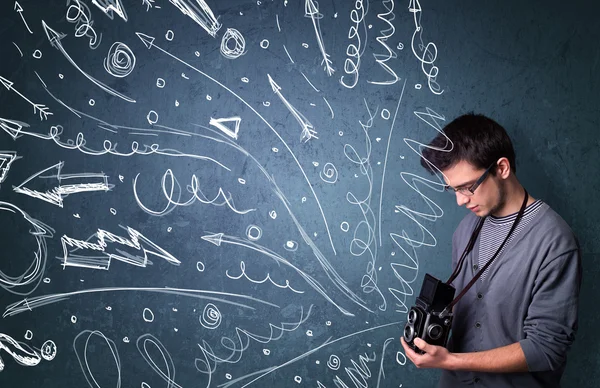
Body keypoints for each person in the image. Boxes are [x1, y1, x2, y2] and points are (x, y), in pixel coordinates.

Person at [399, 113, 582, 387]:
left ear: (502, 168)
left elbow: (546, 350)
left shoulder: (555, 242)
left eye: (468, 187)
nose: (461, 200)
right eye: (452, 189)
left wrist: (451, 361)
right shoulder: (464, 230)